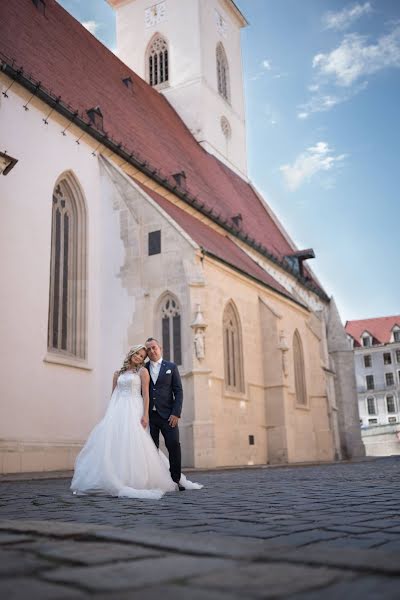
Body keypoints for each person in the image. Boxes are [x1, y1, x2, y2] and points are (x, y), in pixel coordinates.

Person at [71, 344, 202, 499]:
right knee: (115, 442)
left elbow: (146, 395)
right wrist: (109, 414)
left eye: (142, 356)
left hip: (134, 408)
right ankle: (115, 476)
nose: (139, 357)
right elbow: (113, 394)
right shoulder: (117, 373)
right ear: (131, 353)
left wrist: (145, 415)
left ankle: (150, 478)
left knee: (136, 442)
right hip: (118, 410)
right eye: (137, 354)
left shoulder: (143, 371)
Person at [145, 337, 185, 490]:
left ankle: (176, 480)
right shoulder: (144, 368)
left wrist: (176, 413)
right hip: (151, 417)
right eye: (148, 349)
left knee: (174, 446)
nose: (151, 351)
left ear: (160, 348)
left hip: (169, 416)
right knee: (151, 449)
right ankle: (155, 481)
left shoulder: (171, 367)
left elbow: (178, 391)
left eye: (154, 347)